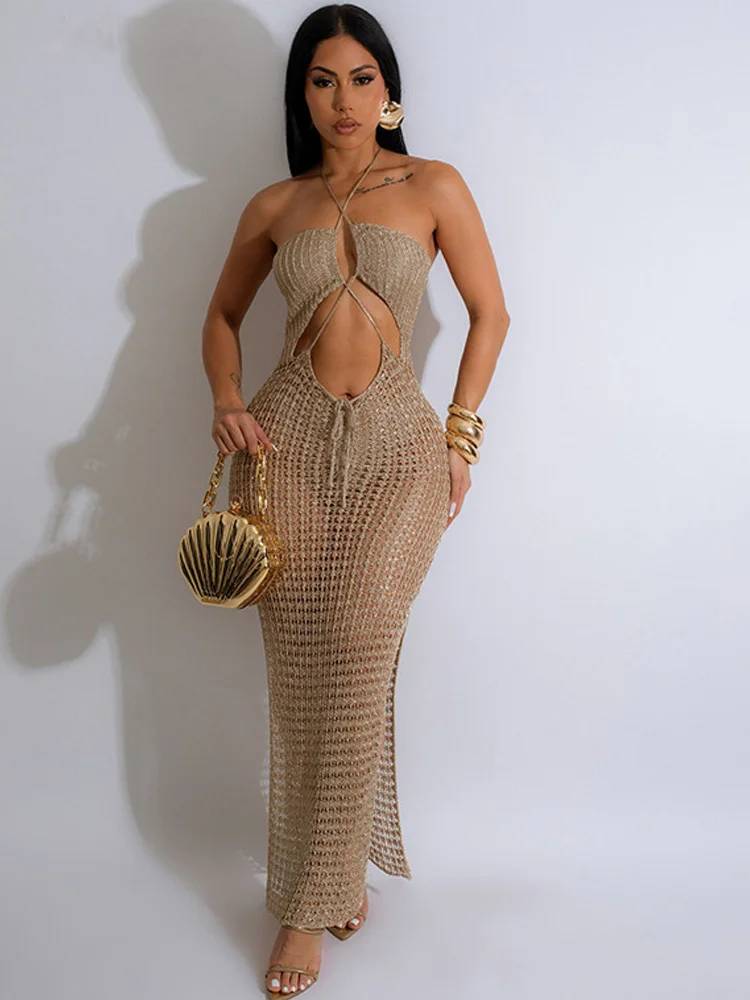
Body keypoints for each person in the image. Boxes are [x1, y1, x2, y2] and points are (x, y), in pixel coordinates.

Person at [200, 5, 510, 995]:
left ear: (390, 91)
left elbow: (491, 314)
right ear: (302, 95)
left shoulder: (432, 186)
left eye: (362, 78)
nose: (344, 99)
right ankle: (327, 877)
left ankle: (307, 901)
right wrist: (227, 401)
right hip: (284, 446)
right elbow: (222, 315)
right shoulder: (275, 205)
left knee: (362, 636)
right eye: (323, 80)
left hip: (397, 448)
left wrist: (460, 436)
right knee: (302, 663)